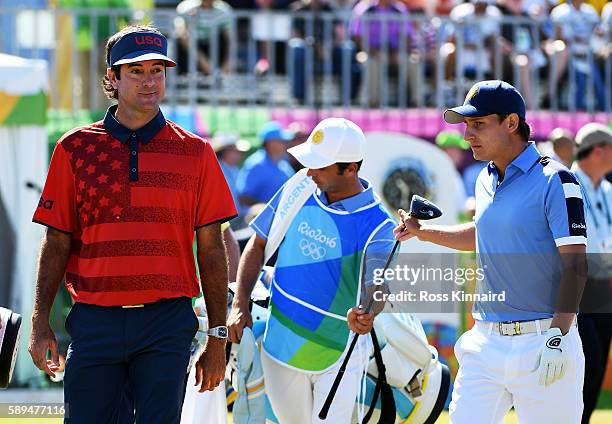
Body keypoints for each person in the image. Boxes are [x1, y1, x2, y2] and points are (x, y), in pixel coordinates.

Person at [28, 24, 237, 423]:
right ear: (112, 77)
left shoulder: (196, 153)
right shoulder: (75, 148)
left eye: (157, 70)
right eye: (135, 71)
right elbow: (56, 241)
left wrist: (217, 337)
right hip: (95, 320)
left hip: (167, 322)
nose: (149, 81)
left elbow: (211, 247)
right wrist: (39, 324)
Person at [395, 80, 588, 423]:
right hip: (485, 342)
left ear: (511, 123)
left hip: (544, 339)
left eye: (478, 124)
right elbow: (483, 235)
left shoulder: (556, 179)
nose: (468, 134)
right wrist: (422, 232)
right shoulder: (485, 178)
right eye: (467, 124)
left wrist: (559, 334)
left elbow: (575, 264)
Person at [227, 117, 396, 424]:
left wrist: (367, 310)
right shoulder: (299, 186)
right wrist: (240, 305)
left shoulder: (379, 224)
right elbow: (257, 244)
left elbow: (378, 285)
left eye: (320, 166)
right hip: (280, 346)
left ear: (351, 168)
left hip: (338, 352)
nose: (310, 171)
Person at [571, 123, 612, 424]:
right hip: (576, 289)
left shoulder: (608, 189)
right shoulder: (568, 184)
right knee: (585, 364)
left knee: (596, 370)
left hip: (603, 289)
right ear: (598, 150)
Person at [236, 121, 295, 210]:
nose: (285, 144)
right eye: (281, 141)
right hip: (260, 221)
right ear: (271, 143)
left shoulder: (283, 164)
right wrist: (267, 209)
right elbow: (244, 197)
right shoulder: (256, 164)